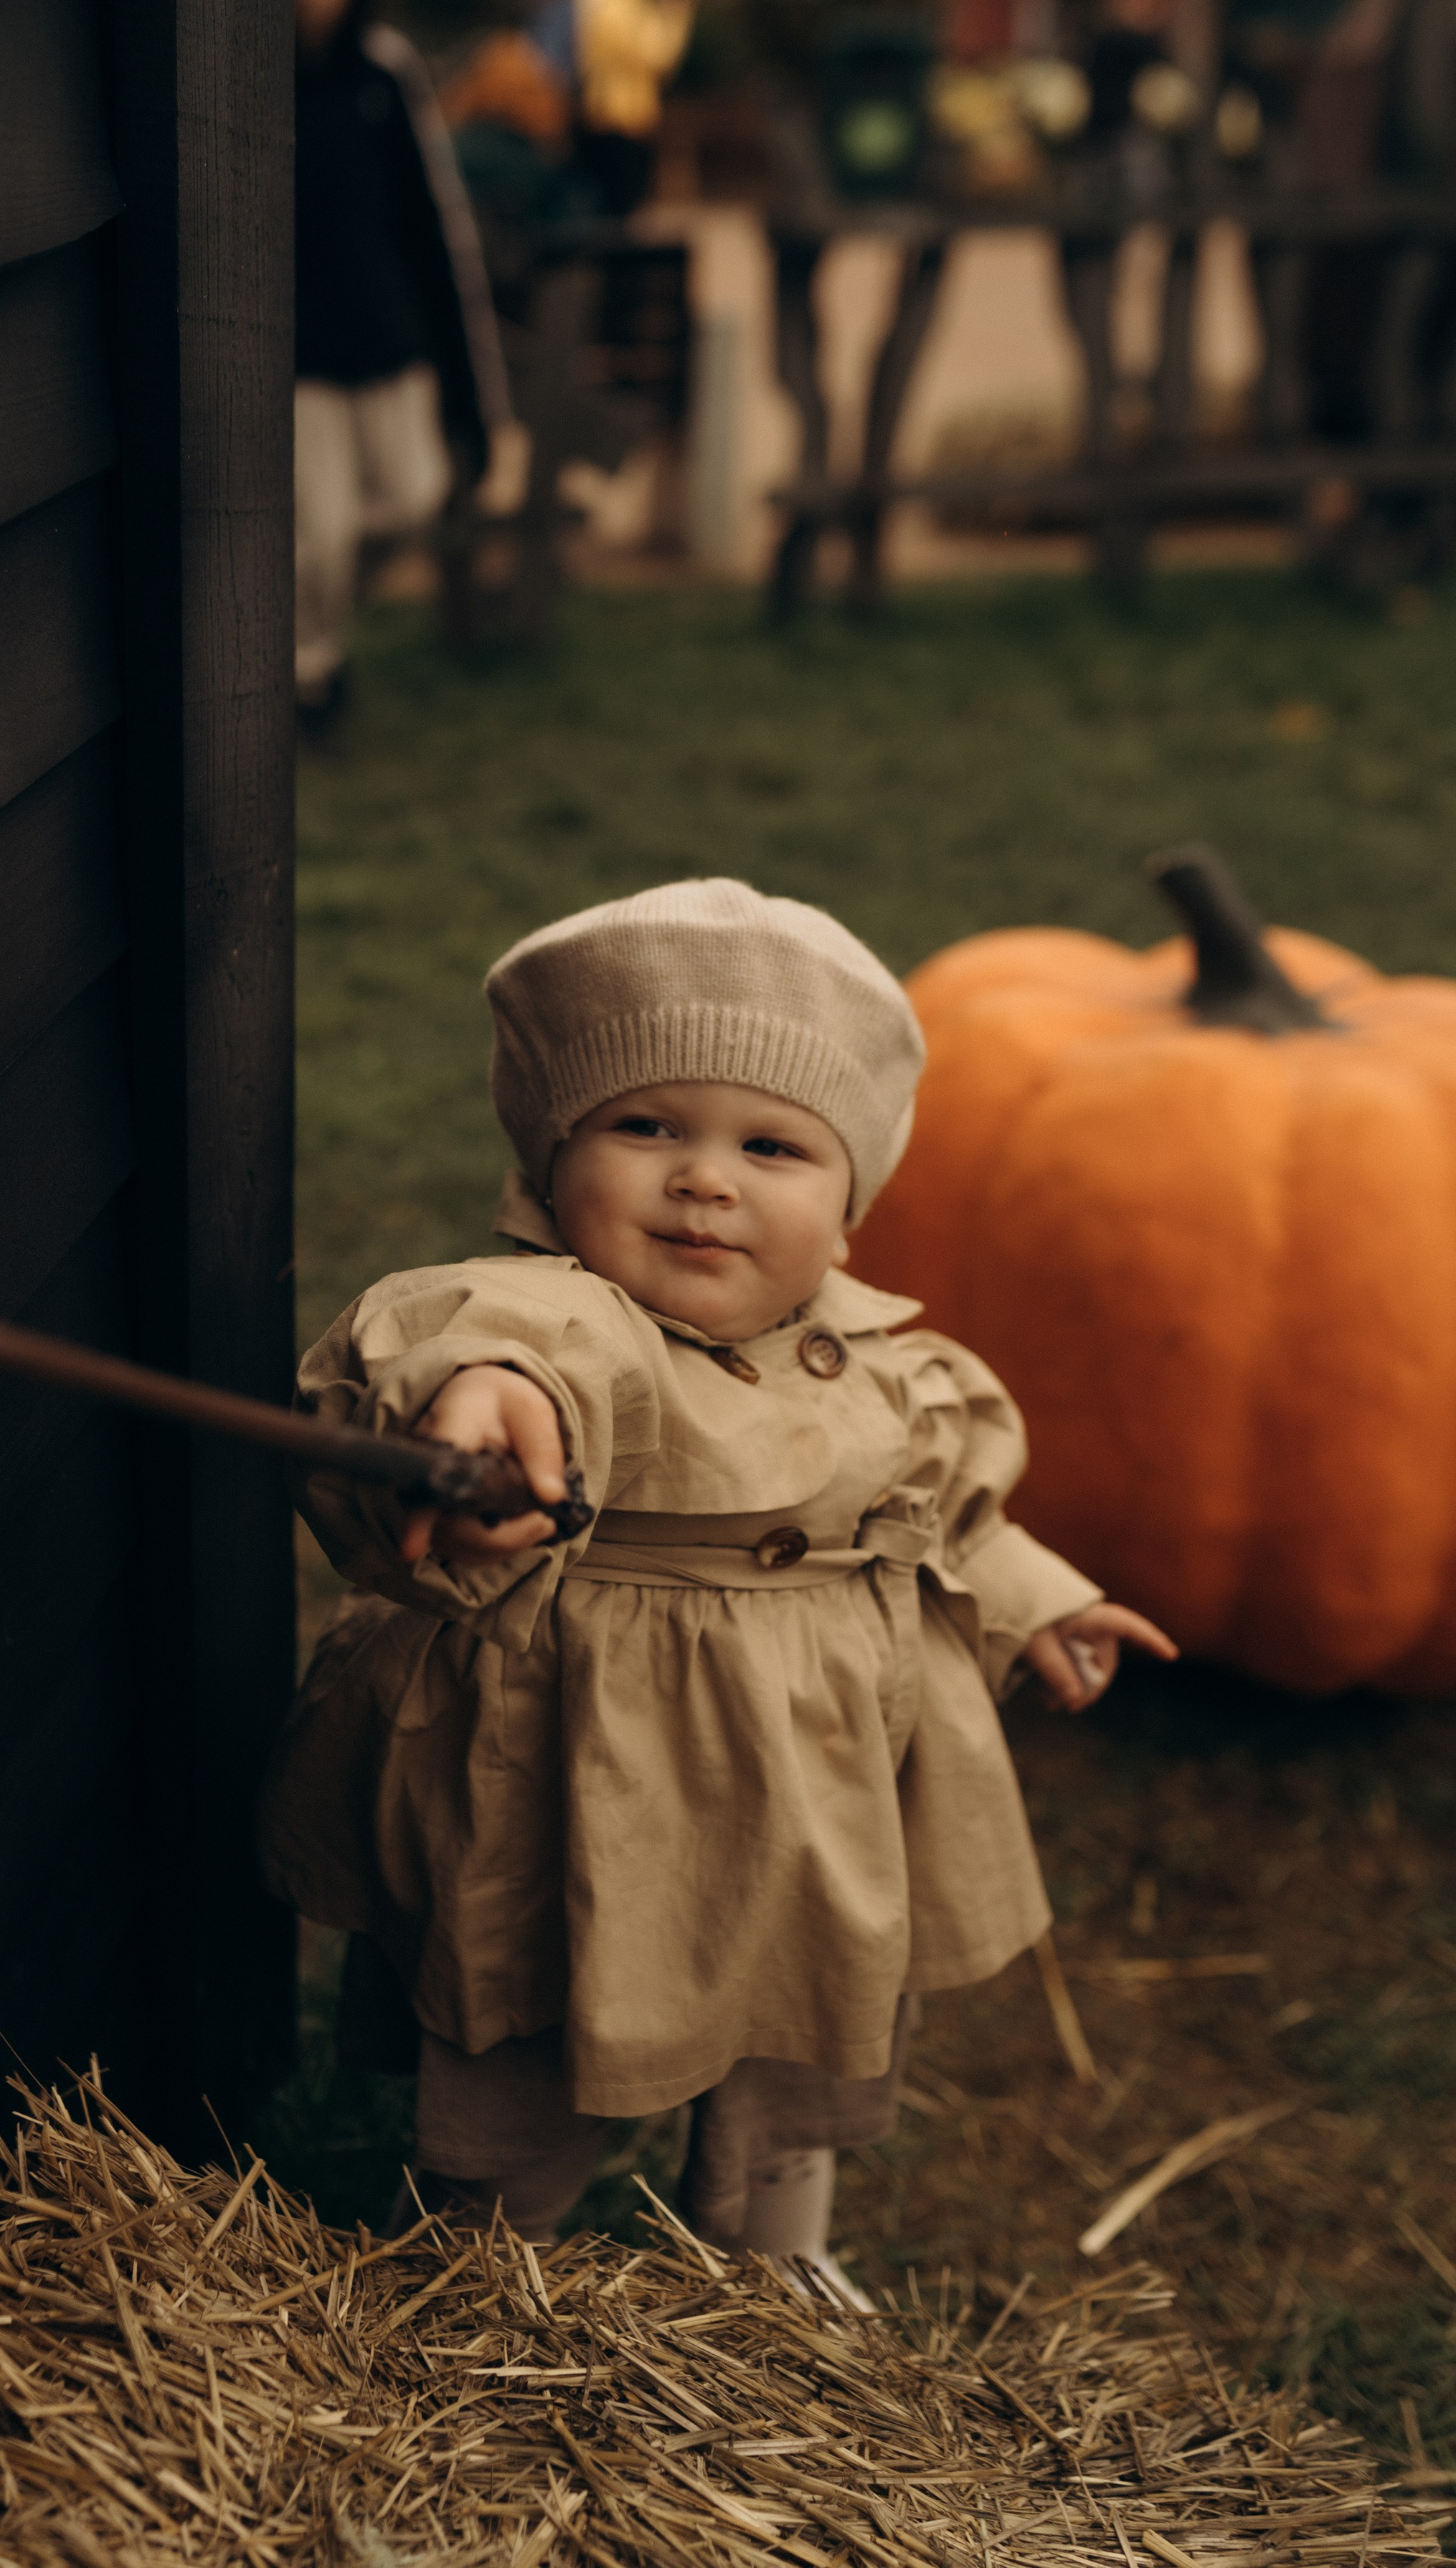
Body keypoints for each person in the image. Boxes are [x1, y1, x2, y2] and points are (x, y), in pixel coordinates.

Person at [263, 879, 1177, 2288]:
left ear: (849, 1206)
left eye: (770, 1145)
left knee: (797, 2014)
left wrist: (1033, 1597)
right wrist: (476, 1408)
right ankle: (479, 2254)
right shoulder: (563, 1321)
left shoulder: (884, 1362)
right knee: (539, 2004)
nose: (704, 1177)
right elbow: (466, 1343)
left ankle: (779, 2252)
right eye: (645, 1128)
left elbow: (938, 1512)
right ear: (548, 1166)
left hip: (812, 1781)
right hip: (585, 1762)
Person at [293, 0, 511, 734]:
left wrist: (474, 403)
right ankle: (311, 674)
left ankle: (311, 638)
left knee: (413, 499)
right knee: (326, 532)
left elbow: (435, 232)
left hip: (389, 347)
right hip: (299, 362)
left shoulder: (385, 74)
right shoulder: (243, 75)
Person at [565, 0, 697, 215]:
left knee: (594, 210)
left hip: (583, 111)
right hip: (623, 117)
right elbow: (657, 55)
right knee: (621, 215)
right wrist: (676, 6)